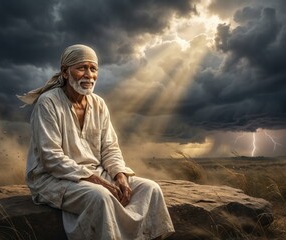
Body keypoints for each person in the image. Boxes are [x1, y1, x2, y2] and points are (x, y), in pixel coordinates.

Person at [17, 44, 174, 240]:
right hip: (52, 179)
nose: (89, 75)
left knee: (150, 188)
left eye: (93, 69)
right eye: (81, 68)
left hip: (95, 174)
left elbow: (110, 148)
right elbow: (51, 158)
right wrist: (99, 182)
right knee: (101, 197)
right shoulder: (48, 103)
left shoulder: (98, 104)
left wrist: (120, 176)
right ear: (65, 72)